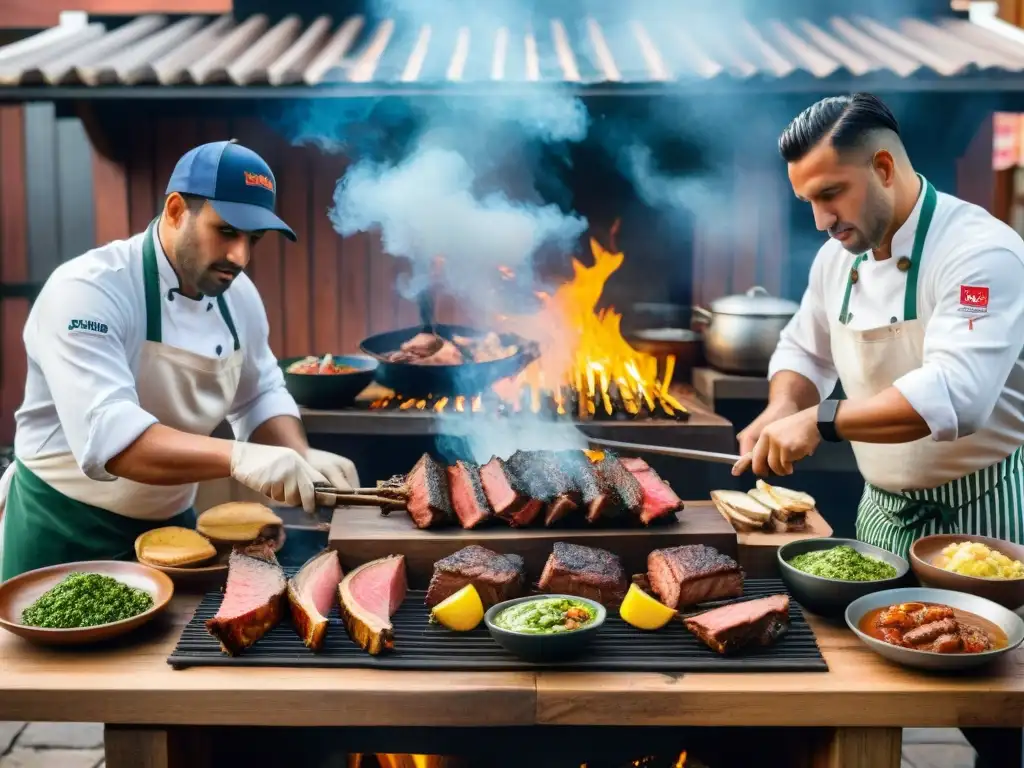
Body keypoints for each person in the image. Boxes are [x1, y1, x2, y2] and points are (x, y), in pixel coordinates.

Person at [0, 139, 358, 580]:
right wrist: (241, 457)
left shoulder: (237, 295)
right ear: (174, 210)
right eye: (226, 231)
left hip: (174, 535)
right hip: (64, 528)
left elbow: (259, 392)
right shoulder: (88, 290)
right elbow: (113, 440)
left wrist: (299, 454)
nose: (240, 257)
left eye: (254, 239)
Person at [733, 93, 1024, 561]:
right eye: (808, 201)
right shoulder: (836, 259)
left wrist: (820, 420)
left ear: (884, 168)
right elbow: (805, 351)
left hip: (981, 520)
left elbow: (957, 394)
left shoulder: (980, 252)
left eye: (830, 194)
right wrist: (783, 408)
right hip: (880, 516)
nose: (820, 220)